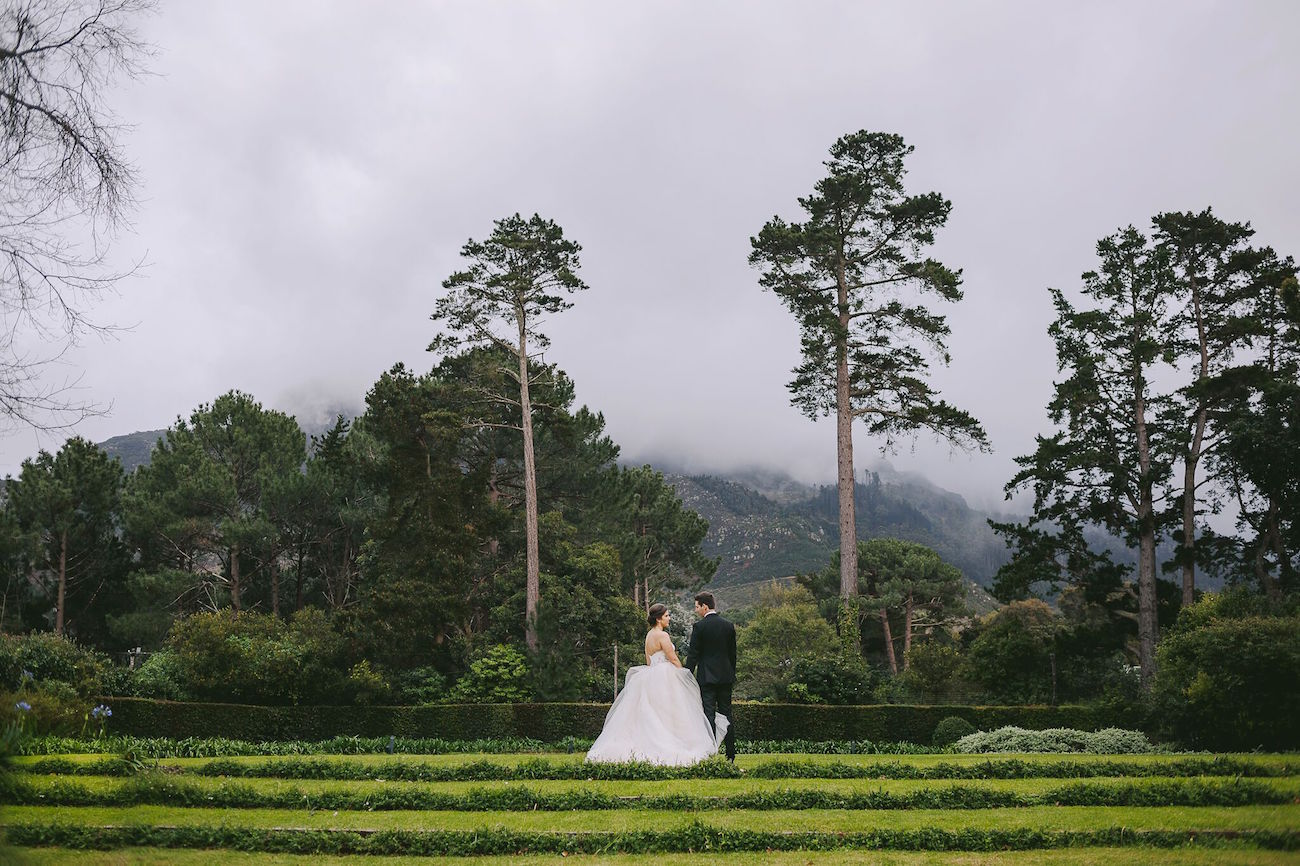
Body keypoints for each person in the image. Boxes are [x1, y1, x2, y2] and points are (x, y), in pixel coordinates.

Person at [585, 602, 728, 765]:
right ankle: (671, 744)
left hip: (651, 675)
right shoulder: (663, 636)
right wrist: (683, 675)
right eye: (667, 616)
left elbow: (648, 660)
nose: (669, 618)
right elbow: (673, 658)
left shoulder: (649, 635)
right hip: (665, 675)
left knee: (652, 713)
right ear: (659, 619)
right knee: (671, 712)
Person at [685, 591, 737, 762]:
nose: (696, 610)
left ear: (705, 606)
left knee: (708, 715)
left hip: (706, 678)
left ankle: (710, 753)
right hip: (725, 677)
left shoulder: (699, 627)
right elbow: (732, 655)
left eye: (697, 607)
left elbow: (693, 655)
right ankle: (730, 754)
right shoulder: (728, 626)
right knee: (727, 714)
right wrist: (731, 674)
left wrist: (687, 675)